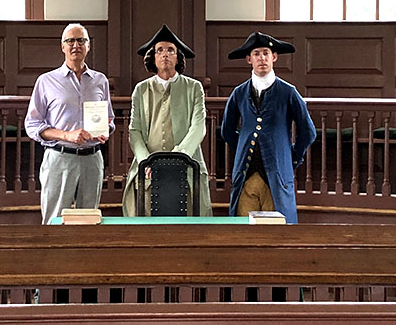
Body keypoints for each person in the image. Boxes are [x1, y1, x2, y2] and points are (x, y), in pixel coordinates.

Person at [221, 32, 316, 224]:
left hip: (277, 177)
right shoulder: (239, 93)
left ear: (274, 57)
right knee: (243, 230)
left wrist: (292, 157)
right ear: (249, 59)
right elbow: (227, 130)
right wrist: (243, 148)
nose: (262, 58)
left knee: (278, 232)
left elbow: (308, 131)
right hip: (245, 176)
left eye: (266, 53)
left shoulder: (288, 92)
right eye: (256, 54)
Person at [25, 23, 115, 224]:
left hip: (92, 160)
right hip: (60, 157)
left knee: (89, 221)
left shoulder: (100, 80)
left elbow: (109, 118)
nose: (76, 45)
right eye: (70, 40)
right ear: (62, 46)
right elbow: (32, 125)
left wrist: (105, 130)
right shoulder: (46, 81)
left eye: (81, 40)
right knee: (54, 221)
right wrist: (67, 135)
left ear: (88, 46)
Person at [122, 25, 213, 216]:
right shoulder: (141, 89)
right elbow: (134, 131)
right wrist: (146, 160)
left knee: (189, 225)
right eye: (160, 50)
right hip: (149, 170)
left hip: (187, 167)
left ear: (178, 57)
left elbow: (198, 127)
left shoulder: (193, 88)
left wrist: (179, 157)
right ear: (152, 57)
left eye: (170, 50)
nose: (165, 54)